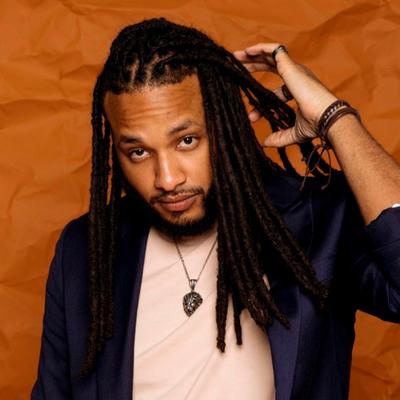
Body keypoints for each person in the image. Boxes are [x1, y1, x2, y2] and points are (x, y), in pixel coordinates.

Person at [31, 17, 400, 400]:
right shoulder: (85, 249)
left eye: (187, 140)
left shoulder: (316, 220)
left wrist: (336, 118)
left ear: (225, 125)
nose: (167, 179)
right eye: (139, 152)